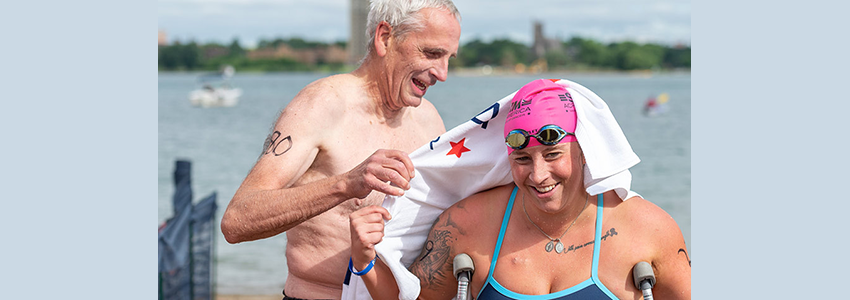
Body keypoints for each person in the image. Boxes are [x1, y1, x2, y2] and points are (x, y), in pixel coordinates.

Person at [349, 79, 691, 299]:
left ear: (585, 151)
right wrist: (365, 260)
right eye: (522, 159)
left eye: (553, 154)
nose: (538, 175)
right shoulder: (470, 223)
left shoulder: (648, 231)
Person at [219, 0, 462, 298]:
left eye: (449, 57)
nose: (443, 73)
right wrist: (345, 185)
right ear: (385, 37)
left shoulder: (430, 119)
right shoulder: (321, 105)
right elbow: (237, 220)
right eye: (432, 53)